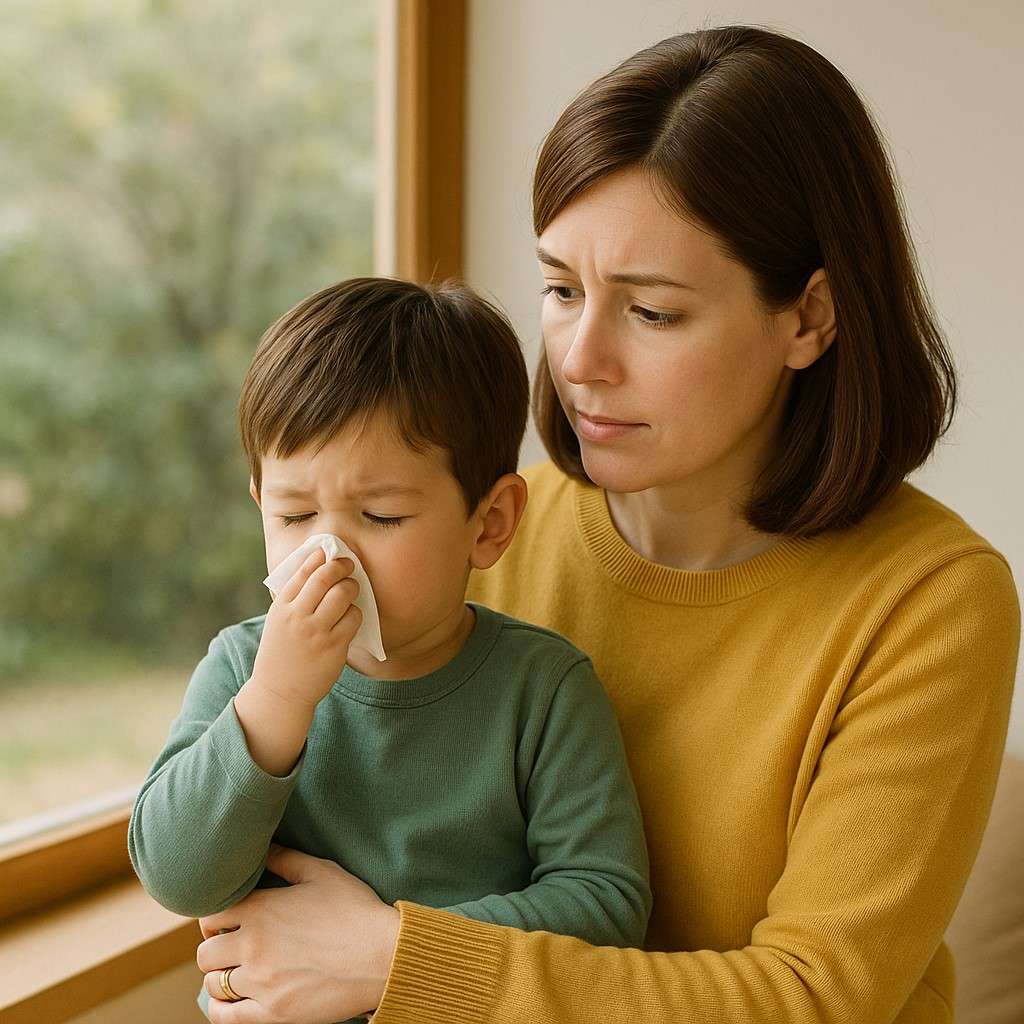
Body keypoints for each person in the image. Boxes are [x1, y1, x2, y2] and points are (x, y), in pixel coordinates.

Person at [193, 24, 1021, 1024]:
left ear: (808, 316)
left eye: (652, 312)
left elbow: (817, 998)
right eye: (560, 289)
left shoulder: (931, 599)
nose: (579, 358)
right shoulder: (479, 530)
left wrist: (396, 960)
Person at [127, 277, 652, 1024]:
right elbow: (178, 877)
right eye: (294, 514)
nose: (329, 556)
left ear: (489, 524)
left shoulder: (543, 688)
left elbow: (607, 906)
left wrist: (394, 950)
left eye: (380, 516)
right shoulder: (244, 668)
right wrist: (276, 703)